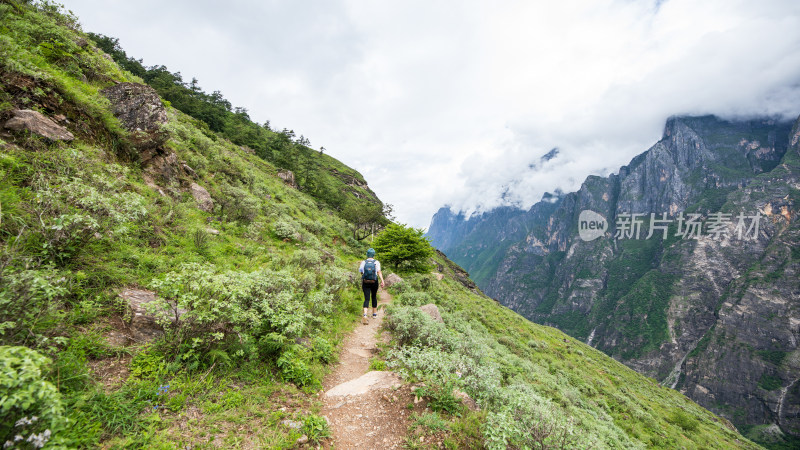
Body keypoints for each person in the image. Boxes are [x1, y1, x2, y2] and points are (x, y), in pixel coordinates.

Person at [358, 248, 385, 324]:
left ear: (367, 254)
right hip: (374, 282)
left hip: (365, 281)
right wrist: (382, 281)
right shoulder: (376, 262)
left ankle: (365, 314)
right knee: (374, 296)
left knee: (366, 298)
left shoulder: (363, 262)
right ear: (373, 254)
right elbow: (379, 272)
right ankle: (374, 314)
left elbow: (361, 271)